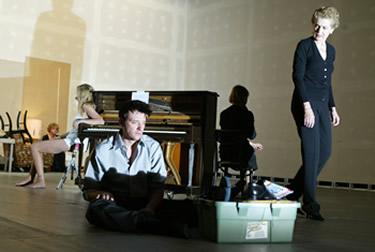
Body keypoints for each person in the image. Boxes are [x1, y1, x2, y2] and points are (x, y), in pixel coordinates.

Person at [82, 100, 195, 239]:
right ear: (121, 122)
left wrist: (150, 208)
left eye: (144, 123)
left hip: (145, 203)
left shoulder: (152, 147)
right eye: (135, 122)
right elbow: (88, 191)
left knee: (190, 208)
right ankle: (149, 224)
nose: (140, 128)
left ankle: (141, 222)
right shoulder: (102, 150)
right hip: (116, 204)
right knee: (95, 210)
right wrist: (100, 193)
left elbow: (158, 187)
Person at [287, 6, 341, 221]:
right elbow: (298, 77)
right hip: (304, 104)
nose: (318, 29)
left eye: (324, 27)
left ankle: (290, 195)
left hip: (321, 104)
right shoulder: (304, 46)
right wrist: (306, 107)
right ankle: (310, 206)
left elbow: (327, 83)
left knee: (324, 152)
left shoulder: (332, 50)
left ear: (332, 30)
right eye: (316, 25)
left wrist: (332, 107)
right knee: (311, 155)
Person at [16, 84, 104, 189]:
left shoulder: (86, 106)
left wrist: (81, 121)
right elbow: (75, 131)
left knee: (34, 147)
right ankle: (31, 177)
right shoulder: (85, 108)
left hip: (69, 142)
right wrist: (61, 136)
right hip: (68, 139)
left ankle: (40, 181)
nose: (75, 96)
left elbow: (100, 121)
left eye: (77, 93)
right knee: (36, 147)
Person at [220, 85, 264, 184]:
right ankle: (247, 185)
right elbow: (252, 135)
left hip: (225, 153)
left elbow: (231, 136)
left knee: (247, 149)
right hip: (240, 154)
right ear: (244, 98)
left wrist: (251, 144)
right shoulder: (247, 114)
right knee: (250, 155)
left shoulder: (224, 113)